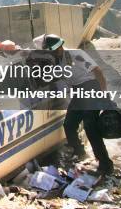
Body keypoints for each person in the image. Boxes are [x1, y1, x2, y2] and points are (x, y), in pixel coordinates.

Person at [42, 34, 114, 175]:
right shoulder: (57, 62)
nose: (54, 52)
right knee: (69, 124)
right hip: (78, 92)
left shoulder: (76, 55)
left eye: (55, 50)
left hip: (90, 88)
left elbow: (97, 71)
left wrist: (103, 93)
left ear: (61, 46)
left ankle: (106, 164)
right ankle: (79, 152)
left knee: (90, 126)